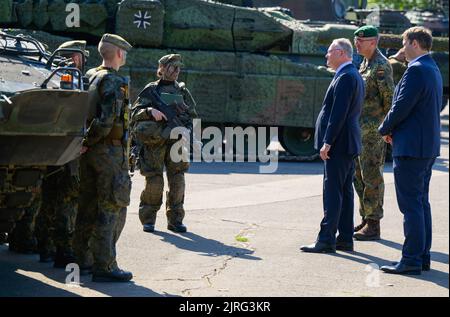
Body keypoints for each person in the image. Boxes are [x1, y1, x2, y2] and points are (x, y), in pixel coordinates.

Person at [379, 27, 442, 275]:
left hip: (411, 147)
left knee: (411, 206)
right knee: (420, 204)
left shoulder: (416, 70)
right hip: (425, 147)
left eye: (404, 44)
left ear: (414, 43)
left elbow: (401, 106)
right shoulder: (432, 68)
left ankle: (412, 260)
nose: (402, 49)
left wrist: (384, 128)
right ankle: (421, 256)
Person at [73, 34, 133, 282]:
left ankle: (82, 260)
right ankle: (105, 266)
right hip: (109, 152)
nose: (125, 56)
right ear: (118, 53)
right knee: (111, 206)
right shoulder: (115, 81)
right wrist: (91, 140)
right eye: (124, 52)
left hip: (88, 154)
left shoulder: (89, 76)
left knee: (86, 205)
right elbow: (107, 121)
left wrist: (83, 143)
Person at [300, 38, 365, 253]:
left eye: (329, 52)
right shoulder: (351, 74)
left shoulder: (346, 76)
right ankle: (345, 238)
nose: (326, 56)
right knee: (344, 193)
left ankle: (326, 239)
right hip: (347, 143)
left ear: (340, 53)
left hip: (338, 144)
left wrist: (327, 142)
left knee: (332, 193)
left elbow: (338, 114)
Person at [35, 40, 89, 266]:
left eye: (78, 58)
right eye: (76, 57)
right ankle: (61, 251)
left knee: (54, 197)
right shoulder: (67, 81)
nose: (77, 61)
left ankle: (47, 248)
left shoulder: (54, 78)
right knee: (65, 199)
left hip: (57, 148)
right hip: (67, 149)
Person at [130, 54, 198, 234]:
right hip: (155, 141)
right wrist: (150, 111)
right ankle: (148, 219)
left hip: (177, 142)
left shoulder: (182, 91)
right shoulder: (151, 90)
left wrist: (188, 132)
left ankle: (176, 220)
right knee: (154, 181)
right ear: (161, 68)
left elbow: (191, 116)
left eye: (178, 67)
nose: (176, 71)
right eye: (172, 67)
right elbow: (133, 113)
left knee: (178, 181)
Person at [352, 25, 395, 241]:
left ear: (373, 42)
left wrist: (388, 129)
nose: (357, 43)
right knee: (358, 176)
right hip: (360, 130)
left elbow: (389, 100)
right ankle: (365, 216)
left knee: (372, 177)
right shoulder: (364, 63)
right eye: (356, 39)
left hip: (373, 133)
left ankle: (374, 223)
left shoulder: (381, 66)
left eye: (362, 40)